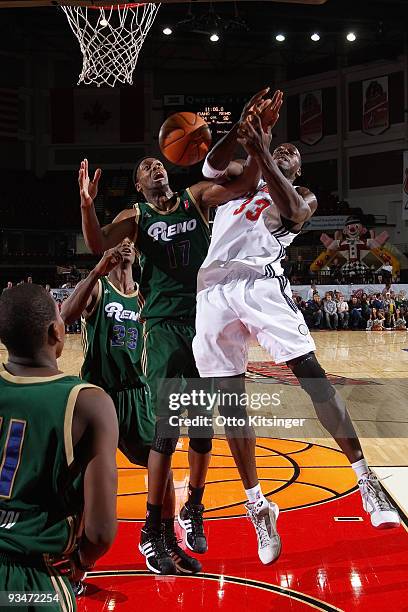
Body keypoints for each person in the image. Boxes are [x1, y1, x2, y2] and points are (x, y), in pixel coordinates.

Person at [78, 88, 281, 572]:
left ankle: (193, 508)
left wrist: (254, 139)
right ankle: (154, 530)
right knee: (167, 433)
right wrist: (87, 204)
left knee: (205, 431)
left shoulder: (194, 199)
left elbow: (243, 182)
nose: (155, 169)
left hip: (209, 320)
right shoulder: (136, 217)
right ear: (138, 183)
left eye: (158, 163)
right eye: (146, 166)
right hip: (165, 326)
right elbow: (95, 244)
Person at [193, 109, 400, 564]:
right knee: (229, 402)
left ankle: (366, 480)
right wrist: (241, 131)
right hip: (212, 288)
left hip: (260, 284)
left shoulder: (301, 195)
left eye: (294, 152)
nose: (287, 149)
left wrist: (263, 149)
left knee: (311, 375)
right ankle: (257, 504)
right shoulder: (240, 177)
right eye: (281, 146)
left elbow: (289, 214)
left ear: (299, 169)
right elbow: (209, 166)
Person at [61, 239, 201, 576]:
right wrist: (96, 271)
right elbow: (65, 315)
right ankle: (77, 562)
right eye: (118, 241)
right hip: (100, 394)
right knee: (82, 483)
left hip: (137, 394)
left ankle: (165, 540)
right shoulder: (98, 288)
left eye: (131, 241)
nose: (125, 245)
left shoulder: (147, 294)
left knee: (162, 465)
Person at [0, 284, 118, 611]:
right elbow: (100, 532)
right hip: (31, 585)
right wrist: (80, 563)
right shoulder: (89, 402)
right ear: (56, 330)